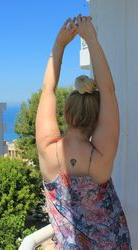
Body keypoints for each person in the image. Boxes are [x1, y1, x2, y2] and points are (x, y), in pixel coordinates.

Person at [35, 14, 131, 249]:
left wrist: (58, 46)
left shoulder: (48, 151)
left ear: (66, 112)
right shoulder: (101, 156)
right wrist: (92, 39)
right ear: (97, 118)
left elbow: (48, 90)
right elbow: (107, 90)